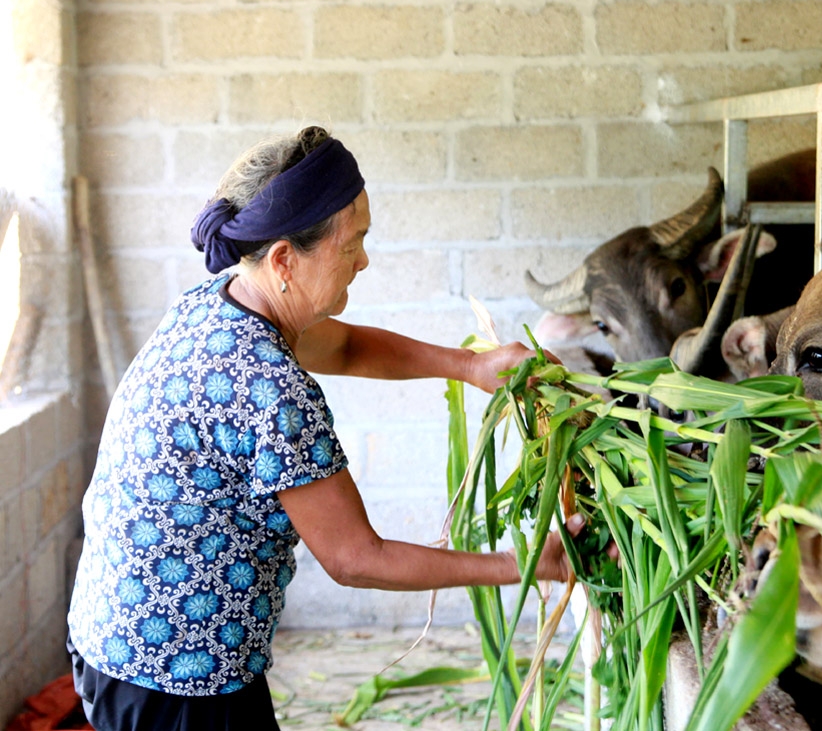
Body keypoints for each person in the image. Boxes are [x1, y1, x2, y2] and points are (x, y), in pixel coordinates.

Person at [66, 126, 575, 730]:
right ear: (284, 259)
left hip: (113, 639)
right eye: (352, 243)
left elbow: (350, 348)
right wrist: (530, 562)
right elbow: (358, 558)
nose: (364, 259)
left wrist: (471, 366)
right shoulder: (271, 388)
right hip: (177, 679)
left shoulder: (223, 297)